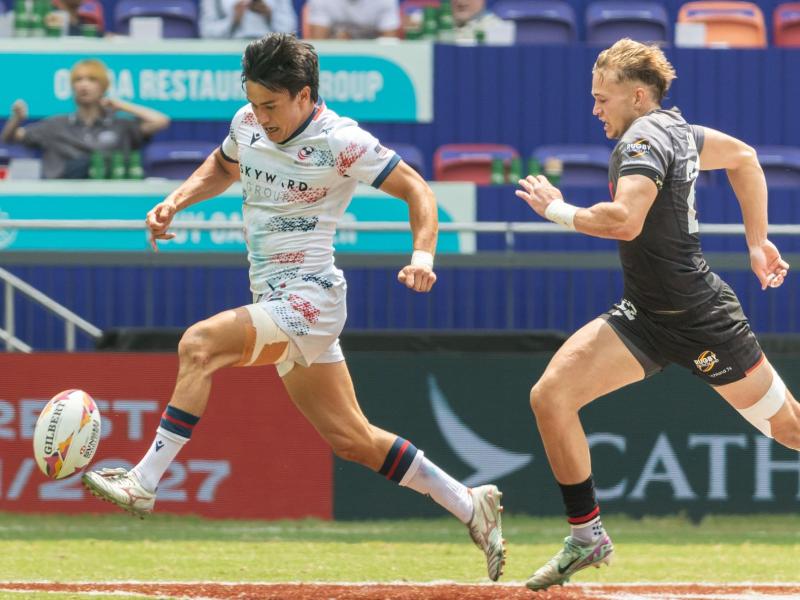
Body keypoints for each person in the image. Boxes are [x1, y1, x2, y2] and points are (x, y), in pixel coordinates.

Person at [82, 33, 506, 582]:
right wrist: (175, 201)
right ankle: (471, 504)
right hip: (274, 297)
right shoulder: (247, 122)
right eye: (254, 102)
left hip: (310, 298)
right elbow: (223, 165)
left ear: (304, 95)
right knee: (352, 440)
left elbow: (418, 190)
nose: (260, 116)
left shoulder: (342, 141)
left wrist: (422, 255)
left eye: (271, 105)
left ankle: (143, 480)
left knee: (199, 345)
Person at [516, 38, 800, 591]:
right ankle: (586, 535)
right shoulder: (678, 131)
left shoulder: (642, 138)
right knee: (550, 396)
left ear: (638, 96)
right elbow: (744, 157)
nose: (595, 109)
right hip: (644, 316)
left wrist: (554, 208)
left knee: (791, 427)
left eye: (603, 99)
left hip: (699, 317)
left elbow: (624, 221)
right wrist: (758, 241)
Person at [0, 59, 169, 179]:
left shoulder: (121, 125)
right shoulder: (55, 125)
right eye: (78, 80)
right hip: (61, 198)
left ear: (103, 87)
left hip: (108, 198)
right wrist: (17, 118)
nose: (84, 85)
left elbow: (161, 121)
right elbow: (9, 137)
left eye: (92, 79)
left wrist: (120, 105)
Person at [199, 0, 297, 39]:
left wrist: (269, 15)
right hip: (229, 55)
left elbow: (291, 30)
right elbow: (206, 32)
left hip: (272, 54)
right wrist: (233, 20)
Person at [305, 0, 400, 39]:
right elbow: (318, 44)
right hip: (335, 58)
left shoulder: (385, 1)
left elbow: (389, 42)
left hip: (373, 60)